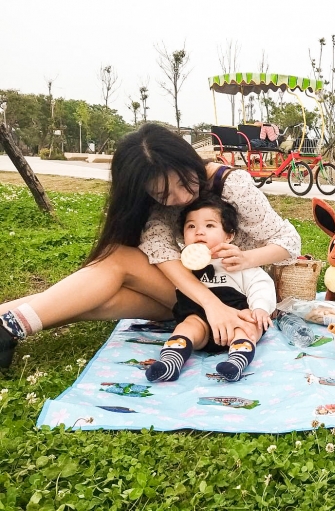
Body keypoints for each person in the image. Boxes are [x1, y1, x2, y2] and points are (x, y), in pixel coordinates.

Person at [0, 123, 300, 368]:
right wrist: (210, 305)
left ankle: (9, 325)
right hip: (188, 294)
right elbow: (163, 256)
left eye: (185, 183)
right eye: (163, 195)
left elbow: (289, 242)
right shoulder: (152, 206)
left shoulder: (232, 185)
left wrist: (246, 259)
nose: (181, 199)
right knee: (98, 295)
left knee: (115, 261)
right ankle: (8, 325)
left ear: (191, 162)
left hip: (237, 293)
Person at [147, 193, 276, 383]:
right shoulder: (182, 266)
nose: (199, 232)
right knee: (186, 326)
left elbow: (260, 283)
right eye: (191, 226)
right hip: (199, 320)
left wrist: (260, 308)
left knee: (250, 326)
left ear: (229, 235)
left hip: (237, 317)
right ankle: (171, 362)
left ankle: (236, 362)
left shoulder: (235, 262)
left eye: (209, 226)